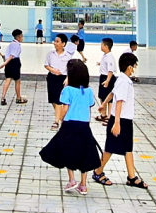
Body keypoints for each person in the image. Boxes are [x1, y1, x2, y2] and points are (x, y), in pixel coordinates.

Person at [39, 59, 102, 196]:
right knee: (84, 152)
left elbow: (64, 109)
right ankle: (83, 185)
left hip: (69, 124)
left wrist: (61, 118)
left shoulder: (67, 90)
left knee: (69, 150)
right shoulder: (88, 91)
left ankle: (72, 179)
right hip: (84, 125)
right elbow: (90, 106)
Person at [92, 52, 147, 190]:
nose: (135, 68)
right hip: (120, 120)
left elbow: (112, 93)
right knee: (110, 148)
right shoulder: (123, 81)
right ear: (129, 67)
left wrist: (103, 104)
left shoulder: (122, 79)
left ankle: (131, 177)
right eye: (134, 66)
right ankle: (98, 172)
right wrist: (116, 122)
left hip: (125, 120)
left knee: (128, 148)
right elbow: (119, 102)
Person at [45, 34, 75, 130]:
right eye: (55, 41)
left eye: (57, 41)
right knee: (53, 100)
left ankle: (56, 121)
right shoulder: (50, 54)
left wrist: (67, 79)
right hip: (51, 77)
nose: (55, 43)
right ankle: (63, 117)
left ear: (63, 44)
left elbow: (71, 70)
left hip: (62, 79)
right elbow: (46, 65)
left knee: (58, 100)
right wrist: (53, 70)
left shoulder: (68, 56)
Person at [0, 29, 27, 105]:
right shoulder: (17, 45)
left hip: (9, 63)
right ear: (18, 37)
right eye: (22, 36)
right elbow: (12, 55)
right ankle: (18, 98)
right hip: (14, 62)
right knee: (17, 80)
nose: (22, 38)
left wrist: (5, 63)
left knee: (8, 79)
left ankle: (3, 97)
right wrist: (4, 63)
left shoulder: (11, 44)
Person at [95, 37, 115, 122]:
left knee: (109, 98)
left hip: (107, 78)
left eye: (102, 44)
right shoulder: (105, 55)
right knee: (102, 96)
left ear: (106, 46)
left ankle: (109, 116)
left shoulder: (110, 57)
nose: (101, 46)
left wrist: (107, 80)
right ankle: (103, 114)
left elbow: (110, 70)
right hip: (103, 76)